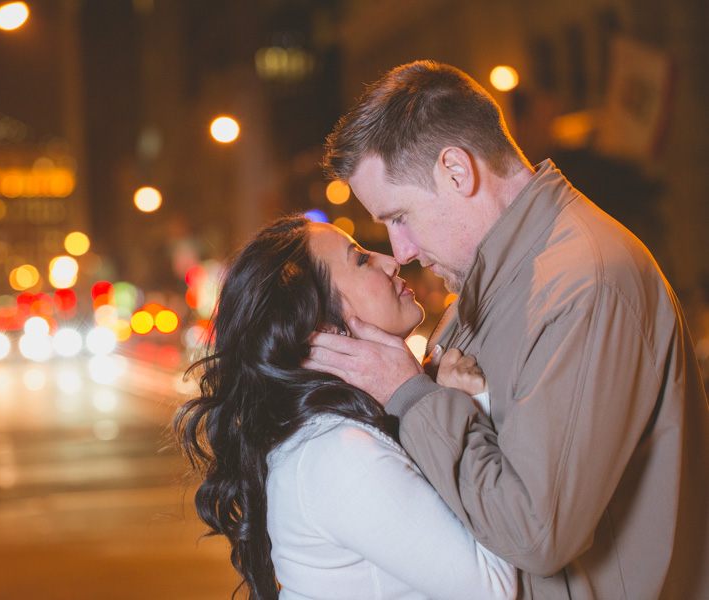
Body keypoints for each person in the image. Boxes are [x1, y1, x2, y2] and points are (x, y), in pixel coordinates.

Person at [308, 60, 709, 599]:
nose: (399, 250)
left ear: (457, 171)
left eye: (398, 216)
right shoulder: (488, 288)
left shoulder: (583, 285)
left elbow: (535, 534)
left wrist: (412, 394)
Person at [175, 215, 517, 600]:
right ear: (323, 325)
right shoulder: (338, 454)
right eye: (360, 260)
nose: (390, 261)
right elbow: (496, 588)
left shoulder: (344, 430)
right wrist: (465, 406)